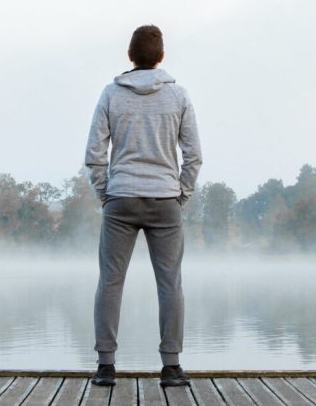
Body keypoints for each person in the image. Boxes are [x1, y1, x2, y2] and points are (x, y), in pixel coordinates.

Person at [81, 24, 201, 388]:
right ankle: (171, 367)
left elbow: (94, 154)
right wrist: (181, 195)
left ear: (130, 56)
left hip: (121, 199)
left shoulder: (110, 94)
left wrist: (106, 192)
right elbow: (193, 155)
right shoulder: (178, 96)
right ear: (161, 57)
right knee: (170, 285)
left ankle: (105, 367)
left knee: (110, 281)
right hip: (165, 200)